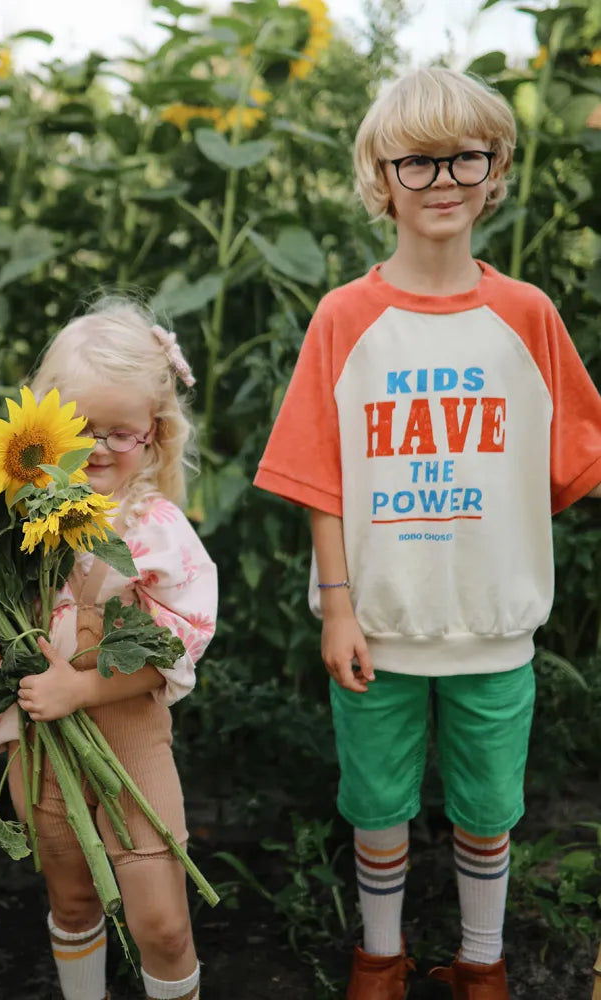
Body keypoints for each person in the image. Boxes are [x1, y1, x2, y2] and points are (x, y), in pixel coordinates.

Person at [253, 67, 601, 1000]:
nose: (444, 180)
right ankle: (380, 959)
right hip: (377, 624)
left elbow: (568, 462)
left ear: (496, 171)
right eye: (418, 161)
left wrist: (489, 538)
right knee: (376, 808)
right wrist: (337, 606)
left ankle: (482, 963)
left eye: (465, 158)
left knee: (489, 812)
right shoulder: (345, 317)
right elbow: (319, 477)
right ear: (383, 177)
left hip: (495, 625)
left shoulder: (528, 314)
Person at [0, 299, 217, 1000]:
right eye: (80, 429)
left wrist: (81, 688)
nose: (98, 448)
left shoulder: (155, 530)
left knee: (162, 923)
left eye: (120, 432)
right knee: (73, 901)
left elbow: (176, 644)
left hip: (128, 739)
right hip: (41, 746)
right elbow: (3, 609)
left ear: (154, 433)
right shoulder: (15, 519)